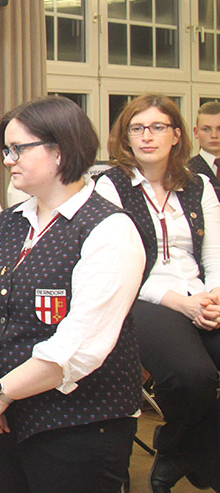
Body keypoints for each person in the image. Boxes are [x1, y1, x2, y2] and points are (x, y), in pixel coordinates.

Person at [0, 96, 144, 493]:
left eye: (18, 149)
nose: (8, 160)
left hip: (78, 424)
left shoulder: (110, 229)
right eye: (6, 150)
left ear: (60, 151)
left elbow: (78, 347)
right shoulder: (8, 223)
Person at [94, 94, 220, 492]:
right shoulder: (110, 186)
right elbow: (118, 264)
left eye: (158, 127)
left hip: (200, 293)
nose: (147, 136)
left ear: (177, 135)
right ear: (126, 137)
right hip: (143, 297)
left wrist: (215, 295)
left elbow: (214, 251)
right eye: (138, 128)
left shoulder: (198, 184)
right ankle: (186, 453)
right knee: (192, 376)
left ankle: (182, 450)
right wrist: (182, 303)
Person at [189, 100, 220, 194]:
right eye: (206, 129)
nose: (214, 135)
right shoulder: (187, 171)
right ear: (196, 132)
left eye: (219, 129)